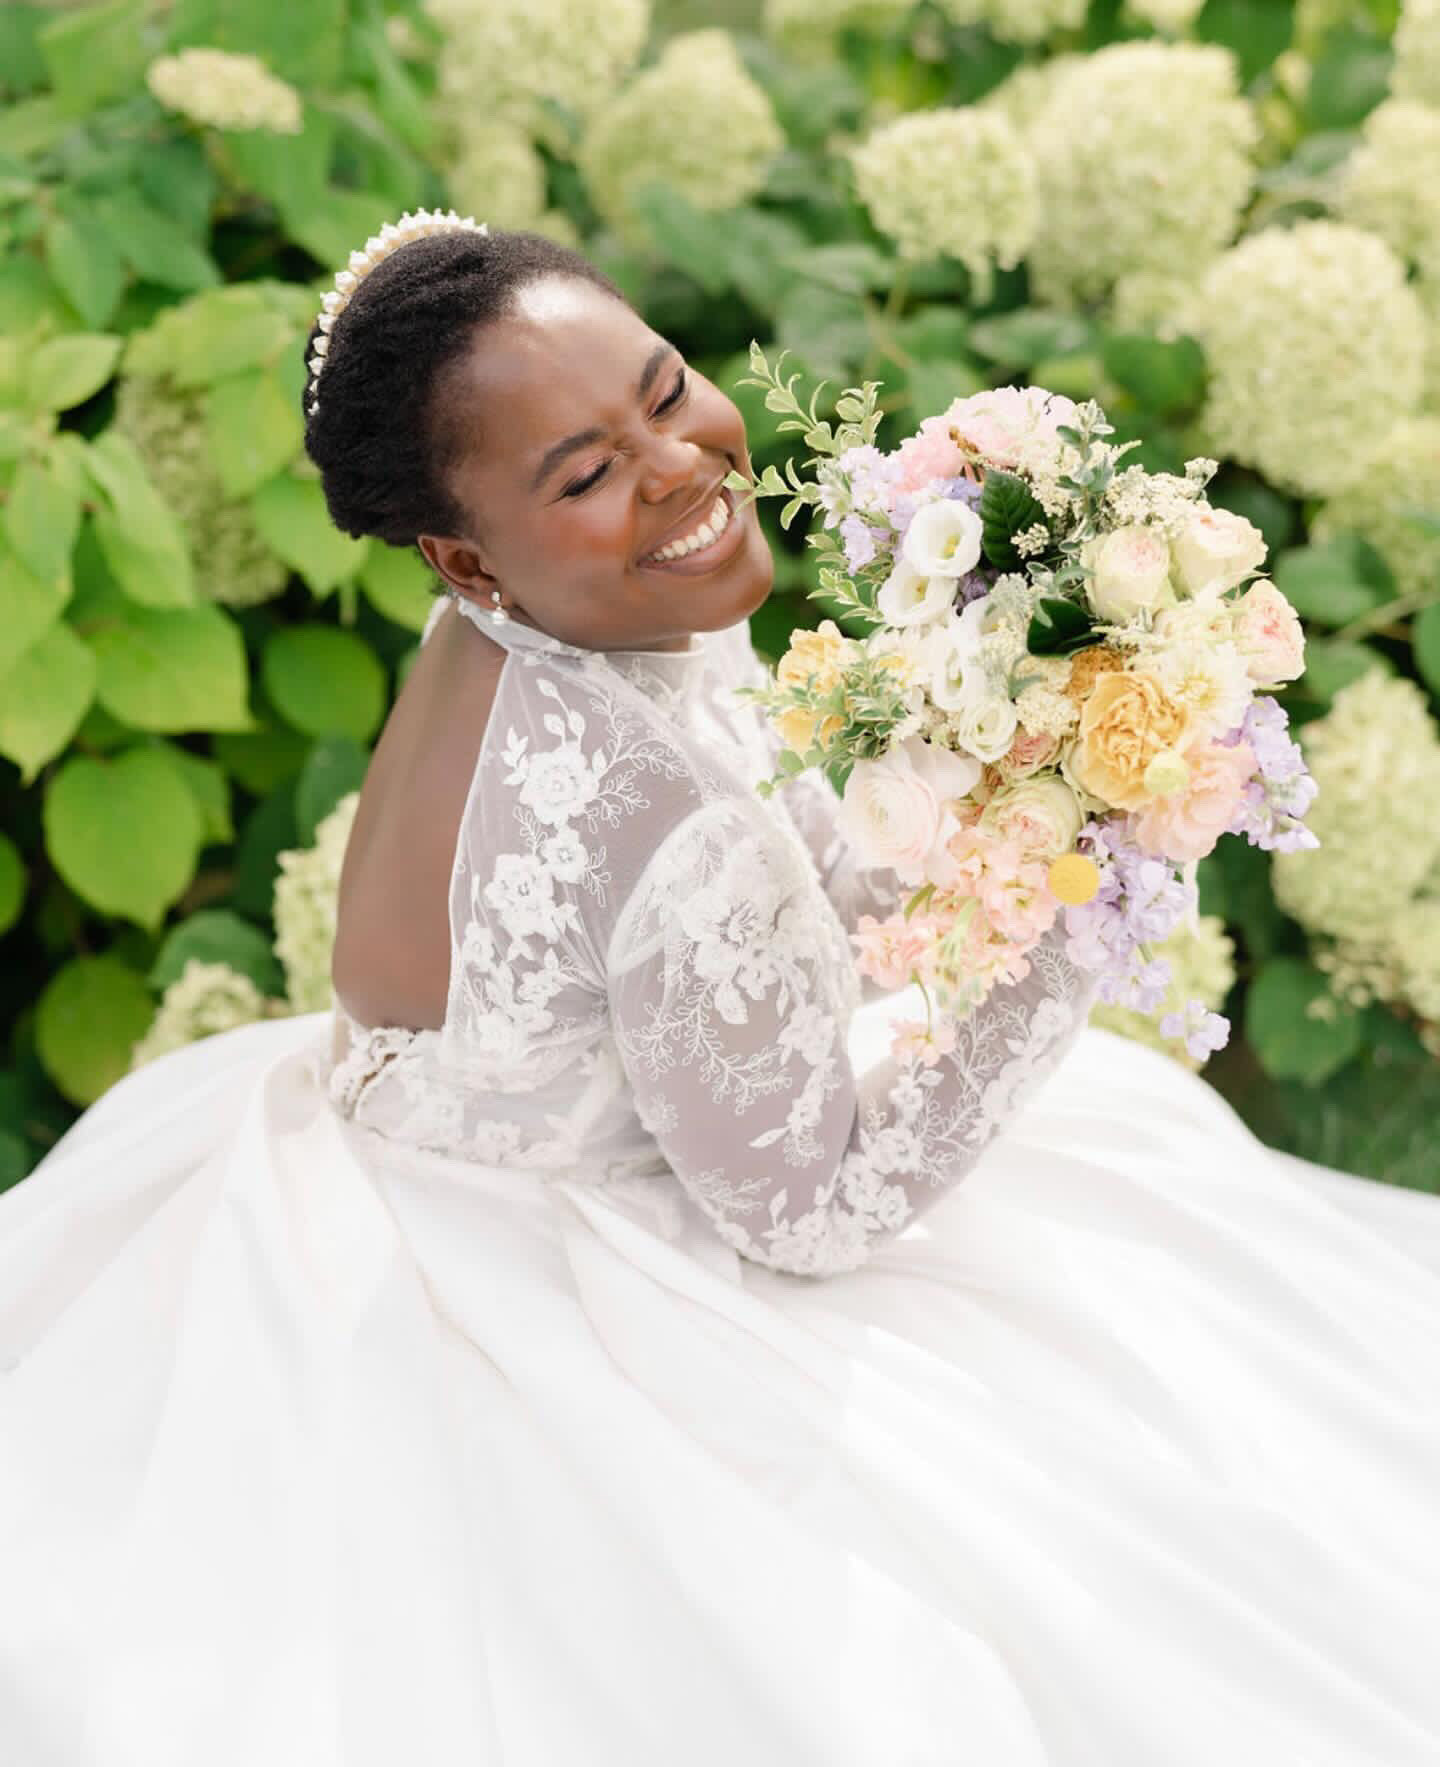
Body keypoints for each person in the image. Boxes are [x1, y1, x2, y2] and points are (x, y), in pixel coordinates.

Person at [1, 214, 1438, 1766]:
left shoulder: (545, 626)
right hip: (539, 1301)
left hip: (361, 1165)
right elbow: (802, 1213)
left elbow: (793, 855)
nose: (679, 463)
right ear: (465, 551)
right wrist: (1064, 917)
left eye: (664, 387)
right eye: (584, 472)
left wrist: (1008, 740)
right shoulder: (650, 818)